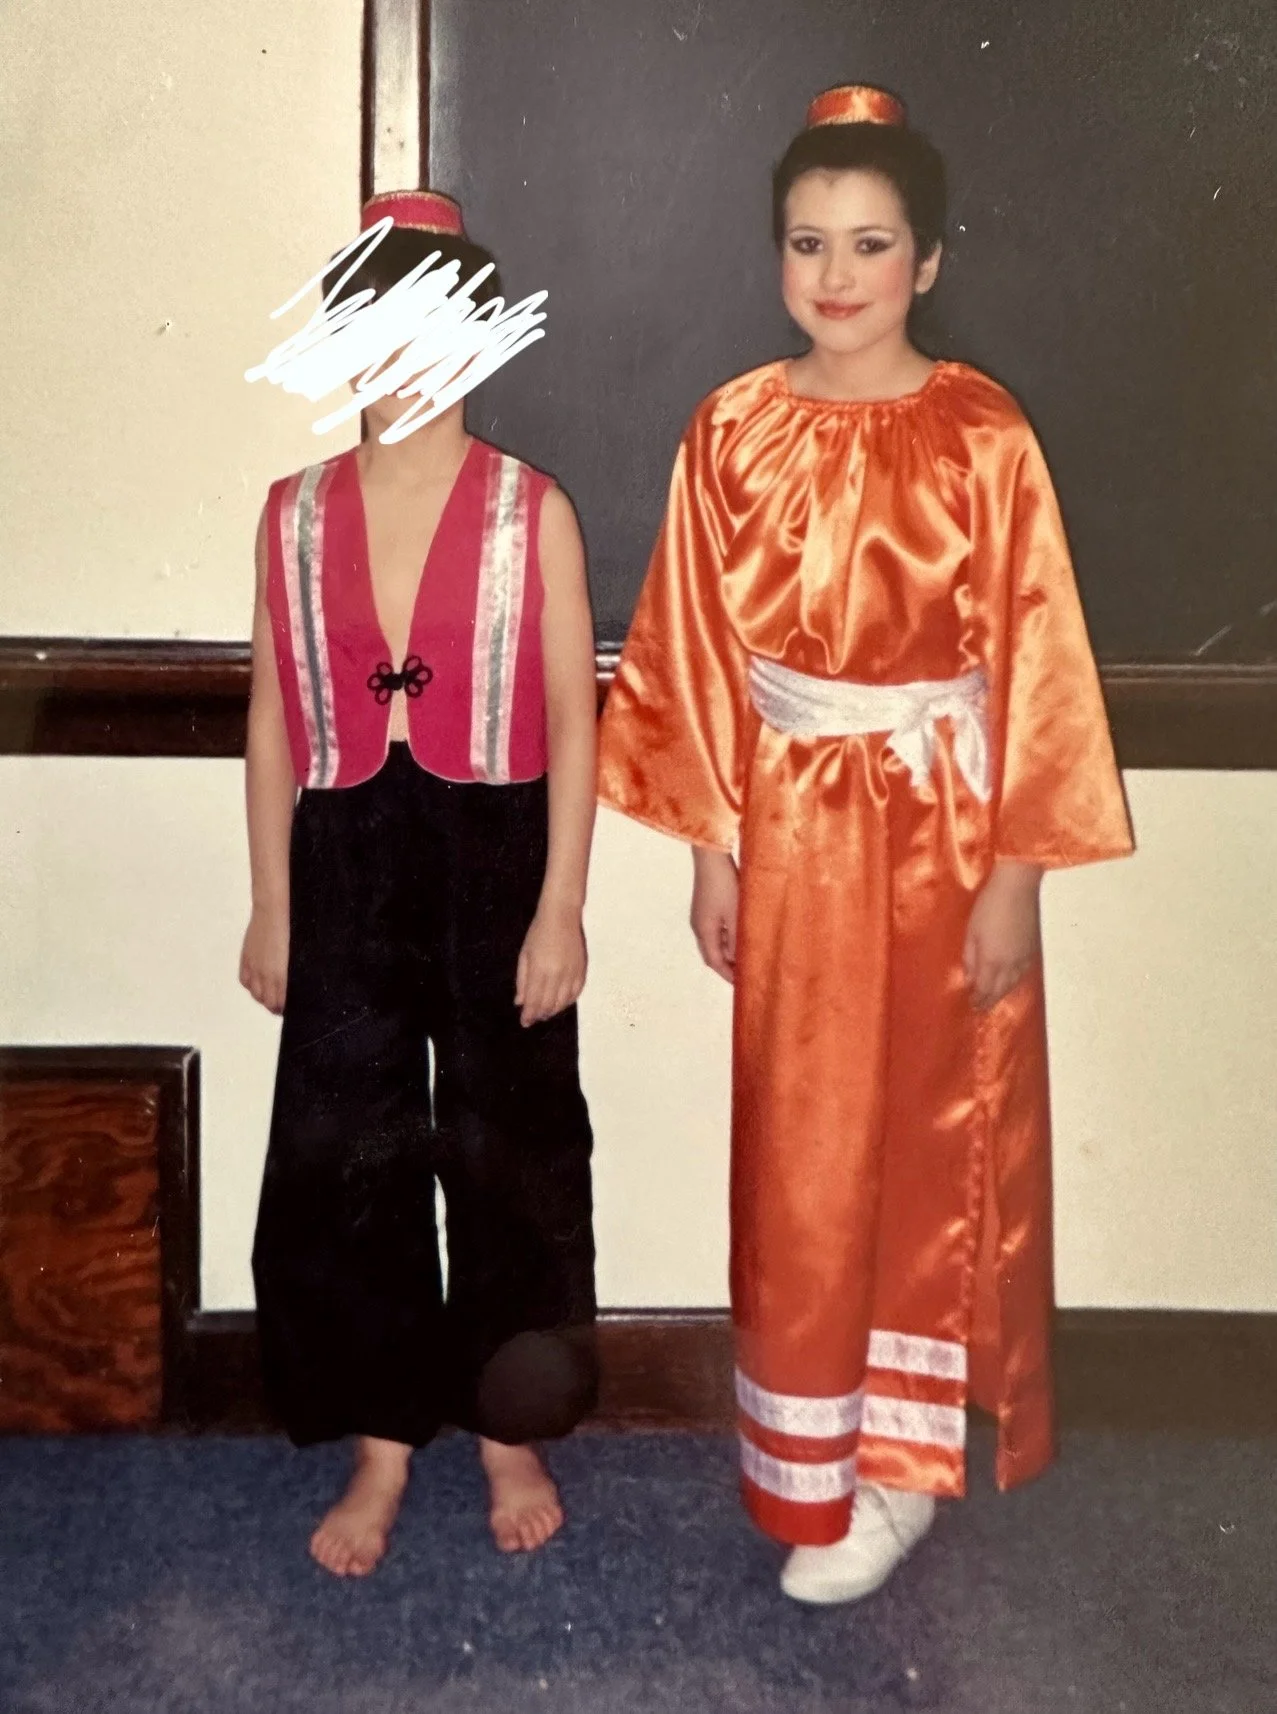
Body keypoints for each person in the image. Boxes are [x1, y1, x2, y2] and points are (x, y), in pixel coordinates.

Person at [597, 85, 1133, 1604]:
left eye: (873, 243)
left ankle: (905, 1469)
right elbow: (693, 648)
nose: (838, 274)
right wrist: (710, 848)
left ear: (930, 259)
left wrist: (1016, 879)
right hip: (792, 831)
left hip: (945, 833)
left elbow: (1037, 661)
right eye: (808, 241)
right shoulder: (733, 429)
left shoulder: (983, 432)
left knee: (929, 1137)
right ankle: (808, 1449)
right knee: (804, 1147)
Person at [239, 190, 600, 1576]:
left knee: (510, 1143)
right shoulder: (289, 515)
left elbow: (575, 714)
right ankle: (382, 1433)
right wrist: (272, 899)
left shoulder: (532, 508)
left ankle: (510, 1426)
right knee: (353, 1149)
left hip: (495, 850)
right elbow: (275, 715)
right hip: (345, 857)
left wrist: (561, 901)